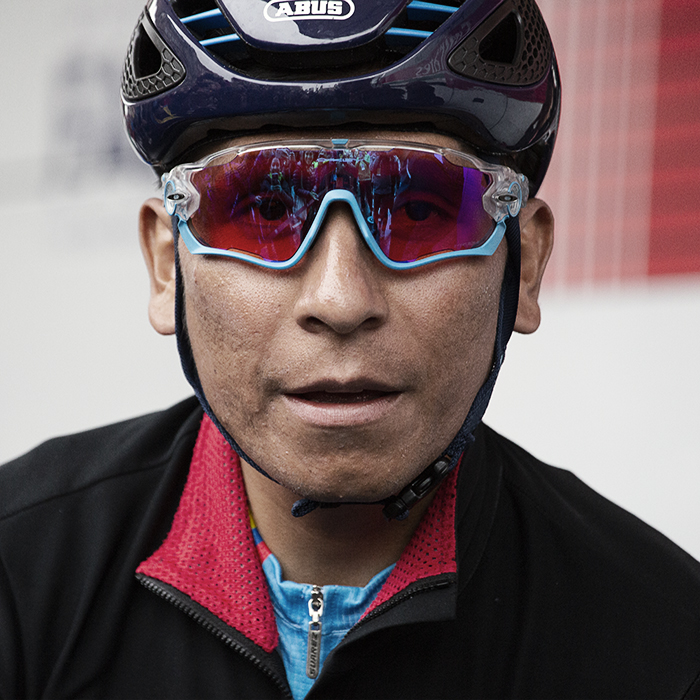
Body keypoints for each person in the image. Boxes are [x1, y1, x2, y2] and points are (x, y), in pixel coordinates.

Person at [1, 0, 699, 698]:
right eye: (267, 211)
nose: (339, 301)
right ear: (165, 264)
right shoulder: (18, 571)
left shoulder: (666, 641)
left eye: (420, 209)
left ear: (525, 267)